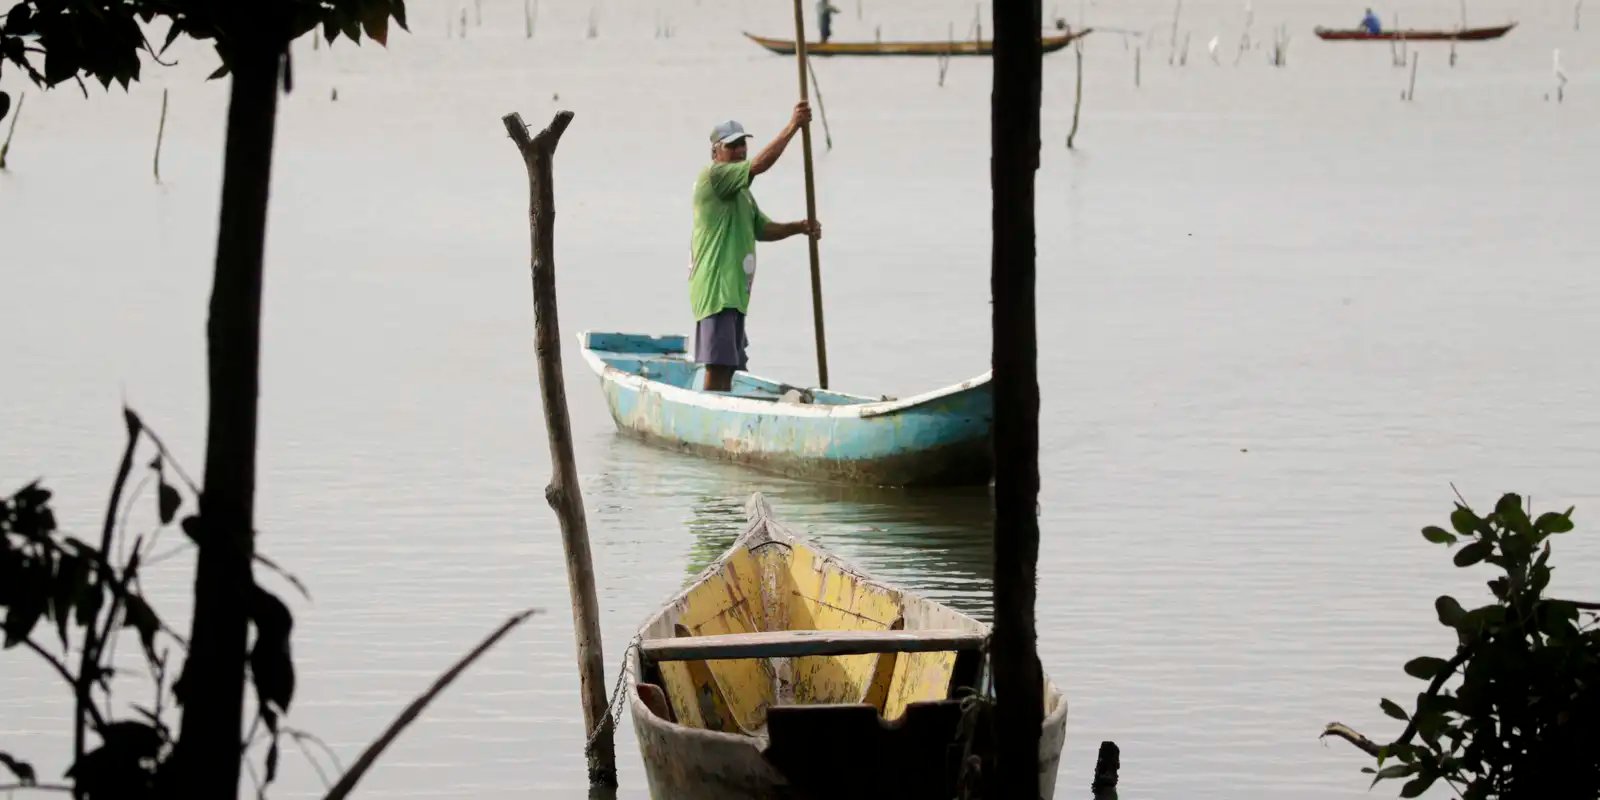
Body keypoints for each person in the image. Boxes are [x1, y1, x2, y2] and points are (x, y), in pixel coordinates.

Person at [690, 103, 821, 392]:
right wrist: (792, 126)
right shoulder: (715, 177)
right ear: (715, 152)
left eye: (742, 145)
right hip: (717, 290)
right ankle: (713, 411)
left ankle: (724, 406)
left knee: (730, 366)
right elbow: (759, 165)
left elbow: (762, 229)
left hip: (735, 293)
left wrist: (800, 227)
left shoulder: (742, 193)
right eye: (732, 146)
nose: (740, 151)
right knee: (718, 364)